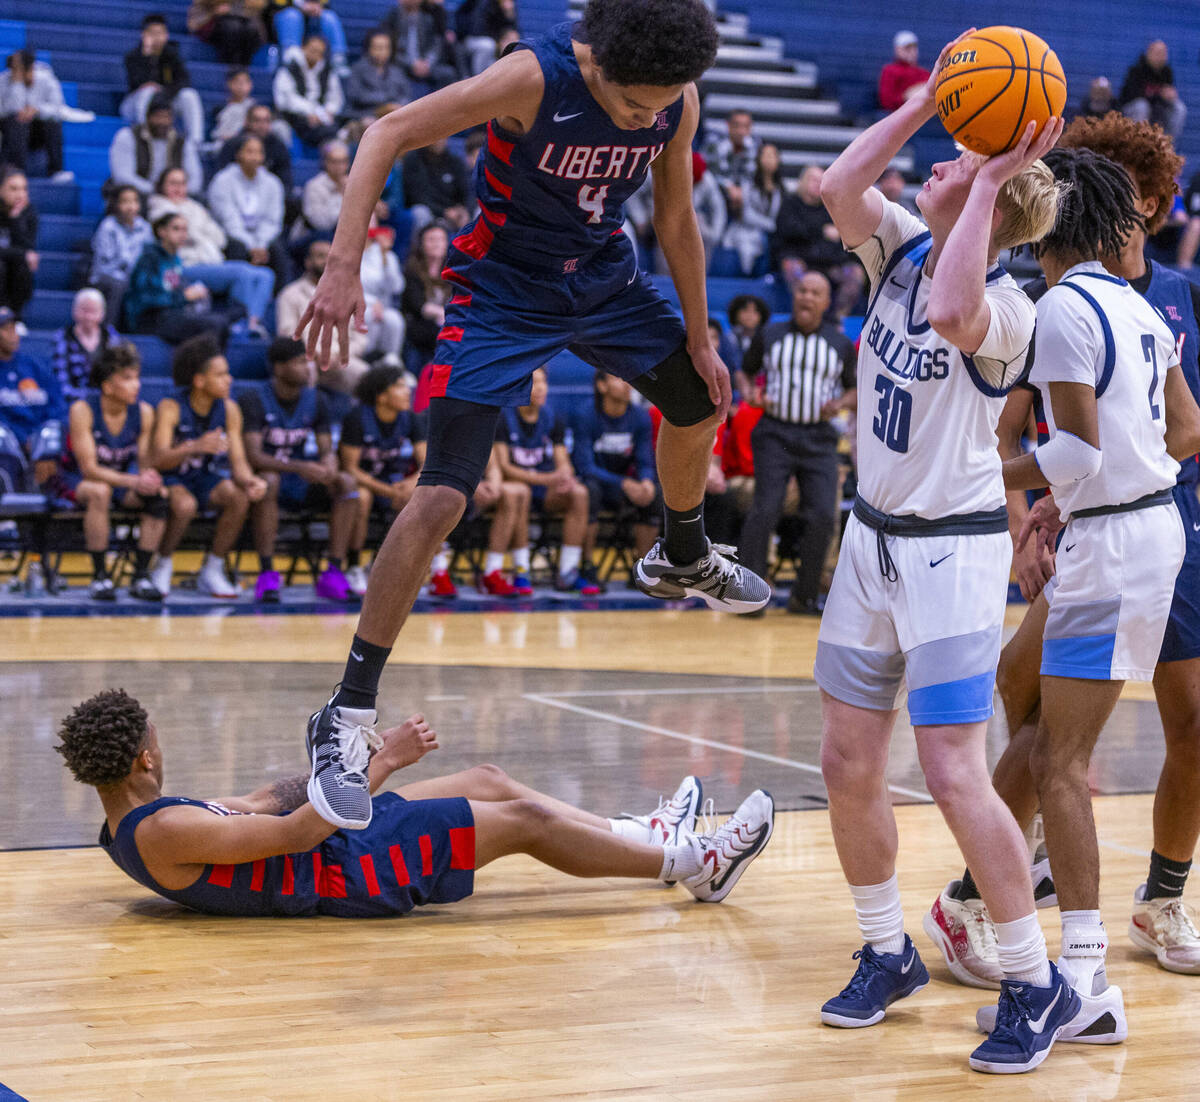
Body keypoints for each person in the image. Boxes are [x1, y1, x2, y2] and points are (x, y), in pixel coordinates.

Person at [294, 0, 770, 833]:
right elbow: (385, 134)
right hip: (503, 292)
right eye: (633, 107)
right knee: (443, 495)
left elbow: (676, 217)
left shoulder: (674, 98)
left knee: (700, 401)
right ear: (599, 65)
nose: (648, 117)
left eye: (662, 104)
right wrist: (343, 267)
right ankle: (346, 710)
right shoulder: (531, 77)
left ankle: (684, 553)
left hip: (600, 279)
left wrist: (700, 337)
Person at [810, 26, 1070, 1072]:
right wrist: (925, 107)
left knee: (954, 772)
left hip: (951, 556)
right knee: (845, 761)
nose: (944, 155)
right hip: (867, 543)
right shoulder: (899, 251)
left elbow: (958, 308)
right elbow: (836, 185)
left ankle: (1034, 979)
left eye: (962, 153)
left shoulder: (1013, 307)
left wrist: (996, 174)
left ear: (992, 203)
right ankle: (887, 950)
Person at [931, 114, 1200, 997]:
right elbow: (1170, 429)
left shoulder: (1059, 312)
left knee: (1060, 760)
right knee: (1034, 704)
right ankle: (997, 893)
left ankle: (1076, 976)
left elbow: (1078, 452)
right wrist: (1049, 498)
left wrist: (977, 477)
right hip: (1141, 527)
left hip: (1117, 538)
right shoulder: (1134, 305)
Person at [55, 688, 776, 918]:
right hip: (347, 869)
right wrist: (382, 763)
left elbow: (258, 804)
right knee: (521, 824)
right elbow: (300, 834)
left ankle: (640, 832)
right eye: (158, 735)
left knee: (489, 778)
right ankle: (691, 863)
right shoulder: (164, 831)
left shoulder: (140, 820)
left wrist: (335, 757)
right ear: (145, 756)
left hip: (341, 845)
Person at [736, 271, 855, 616]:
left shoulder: (839, 343)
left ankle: (804, 596)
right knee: (765, 508)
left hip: (818, 437)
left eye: (815, 293)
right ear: (794, 295)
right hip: (775, 432)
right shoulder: (770, 334)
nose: (807, 297)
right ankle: (750, 595)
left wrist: (841, 403)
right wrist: (748, 393)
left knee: (822, 516)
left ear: (826, 302)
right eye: (802, 290)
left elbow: (854, 389)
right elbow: (744, 372)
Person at [240, 337, 359, 602]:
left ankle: (334, 572)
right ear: (279, 368)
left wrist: (328, 463)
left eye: (309, 362)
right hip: (264, 481)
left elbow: (327, 447)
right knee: (269, 479)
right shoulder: (254, 399)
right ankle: (267, 573)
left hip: (299, 482)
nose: (308, 369)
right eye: (299, 362)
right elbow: (255, 456)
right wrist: (301, 466)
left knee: (346, 483)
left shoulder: (317, 399)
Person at [150, 335, 267, 598]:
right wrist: (194, 446)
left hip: (204, 477)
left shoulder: (229, 409)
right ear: (200, 380)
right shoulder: (170, 407)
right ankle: (163, 563)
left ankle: (212, 569)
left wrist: (251, 481)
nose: (230, 379)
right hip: (172, 477)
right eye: (221, 374)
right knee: (185, 504)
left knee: (238, 497)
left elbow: (238, 463)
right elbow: (158, 460)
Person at [57, 343, 167, 602]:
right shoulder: (82, 410)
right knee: (100, 492)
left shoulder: (144, 412)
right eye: (127, 379)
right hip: (75, 480)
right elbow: (89, 469)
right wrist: (134, 480)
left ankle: (141, 575)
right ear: (107, 386)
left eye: (137, 377)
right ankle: (100, 577)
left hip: (118, 479)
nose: (136, 385)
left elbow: (143, 461)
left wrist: (149, 478)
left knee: (159, 496)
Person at [495, 365, 598, 594]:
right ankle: (521, 571)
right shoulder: (504, 417)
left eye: (543, 382)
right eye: (535, 382)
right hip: (514, 488)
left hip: (544, 490)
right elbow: (504, 467)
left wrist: (566, 475)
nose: (541, 388)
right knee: (521, 491)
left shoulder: (553, 417)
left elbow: (562, 460)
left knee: (579, 493)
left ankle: (568, 572)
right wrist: (546, 479)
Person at [150, 166, 274, 339]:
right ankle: (239, 325)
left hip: (211, 261)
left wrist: (198, 233)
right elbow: (187, 236)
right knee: (242, 273)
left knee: (265, 275)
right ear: (162, 186)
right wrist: (200, 232)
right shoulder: (159, 208)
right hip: (185, 264)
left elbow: (219, 238)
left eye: (182, 183)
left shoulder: (195, 207)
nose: (178, 188)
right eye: (173, 183)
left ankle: (254, 323)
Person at [338, 365, 427, 598]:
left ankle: (384, 565)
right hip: (364, 483)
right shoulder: (357, 418)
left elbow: (427, 464)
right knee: (362, 498)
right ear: (381, 396)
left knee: (421, 497)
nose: (408, 391)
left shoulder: (410, 418)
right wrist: (390, 492)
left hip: (394, 482)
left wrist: (409, 484)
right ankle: (354, 566)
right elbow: (351, 468)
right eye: (399, 386)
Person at [572, 371, 661, 563]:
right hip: (597, 483)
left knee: (655, 493)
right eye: (619, 377)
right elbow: (584, 466)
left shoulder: (640, 417)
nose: (627, 383)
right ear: (602, 386)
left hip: (625, 487)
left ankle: (643, 569)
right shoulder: (585, 414)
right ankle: (587, 564)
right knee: (589, 492)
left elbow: (645, 460)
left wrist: (646, 481)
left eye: (628, 378)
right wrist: (623, 483)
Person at [125, 213, 238, 346]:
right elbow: (145, 297)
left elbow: (172, 289)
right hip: (148, 318)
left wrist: (187, 294)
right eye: (176, 229)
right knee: (214, 325)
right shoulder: (149, 258)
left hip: (171, 314)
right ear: (161, 231)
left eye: (185, 229)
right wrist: (183, 296)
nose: (182, 234)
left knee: (224, 320)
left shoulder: (175, 260)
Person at [277, 238, 368, 391]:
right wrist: (317, 353)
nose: (327, 261)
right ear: (308, 262)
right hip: (307, 359)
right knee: (306, 372)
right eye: (320, 256)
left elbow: (361, 337)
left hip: (340, 359)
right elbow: (287, 334)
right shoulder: (290, 294)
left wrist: (339, 354)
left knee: (370, 379)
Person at [774, 165, 863, 316]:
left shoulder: (831, 208)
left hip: (829, 263)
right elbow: (788, 230)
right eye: (813, 180)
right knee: (792, 268)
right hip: (800, 259)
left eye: (821, 181)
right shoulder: (790, 203)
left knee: (855, 273)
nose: (817, 184)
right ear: (803, 181)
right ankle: (803, 315)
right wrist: (821, 231)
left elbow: (843, 237)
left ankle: (838, 318)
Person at [207, 134, 289, 293]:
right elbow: (229, 220)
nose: (255, 157)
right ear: (239, 154)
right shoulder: (222, 181)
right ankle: (237, 300)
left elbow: (272, 221)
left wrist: (261, 244)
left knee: (278, 250)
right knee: (237, 248)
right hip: (230, 235)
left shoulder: (272, 183)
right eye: (249, 151)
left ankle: (278, 299)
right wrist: (251, 245)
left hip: (261, 236)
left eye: (258, 152)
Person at [0, 306, 66, 493]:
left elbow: (58, 405)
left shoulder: (36, 366)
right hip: (8, 444)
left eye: (14, 328)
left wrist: (38, 437)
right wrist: (21, 438)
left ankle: (49, 509)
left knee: (51, 437)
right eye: (5, 329)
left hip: (39, 440)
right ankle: (7, 516)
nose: (13, 334)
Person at [121, 14, 206, 147]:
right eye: (152, 33)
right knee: (147, 91)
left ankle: (196, 143)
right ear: (144, 35)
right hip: (135, 102)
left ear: (166, 35)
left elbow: (183, 81)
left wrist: (163, 92)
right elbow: (136, 82)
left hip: (165, 99)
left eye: (160, 33)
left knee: (189, 95)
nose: (156, 37)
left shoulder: (172, 55)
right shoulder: (133, 56)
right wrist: (147, 55)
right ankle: (144, 138)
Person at [108, 93, 204, 199]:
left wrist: (176, 191)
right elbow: (122, 176)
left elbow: (195, 181)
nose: (163, 122)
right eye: (158, 117)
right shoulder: (128, 136)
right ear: (148, 117)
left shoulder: (182, 142)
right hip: (139, 197)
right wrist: (156, 190)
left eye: (167, 117)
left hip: (173, 198)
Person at [0, 48, 74, 181]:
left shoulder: (46, 77)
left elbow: (58, 108)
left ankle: (56, 170)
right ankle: (16, 172)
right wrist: (17, 83)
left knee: (53, 121)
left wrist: (37, 110)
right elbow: (6, 110)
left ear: (31, 67)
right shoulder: (4, 80)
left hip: (38, 131)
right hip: (12, 132)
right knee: (17, 120)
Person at [89, 186, 154, 328]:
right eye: (125, 201)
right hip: (106, 276)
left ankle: (140, 329)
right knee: (119, 285)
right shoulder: (107, 226)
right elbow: (105, 263)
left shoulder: (145, 228)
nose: (131, 206)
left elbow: (148, 257)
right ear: (116, 205)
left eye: (135, 201)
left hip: (134, 276)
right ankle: (108, 330)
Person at [717, 142, 781, 277]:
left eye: (773, 156)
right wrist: (770, 224)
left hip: (769, 236)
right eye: (766, 155)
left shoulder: (781, 189)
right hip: (745, 231)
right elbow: (746, 214)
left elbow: (778, 217)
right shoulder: (748, 184)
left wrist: (772, 226)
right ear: (758, 159)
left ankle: (766, 277)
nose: (769, 160)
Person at [52, 289, 123, 403]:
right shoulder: (63, 338)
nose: (88, 316)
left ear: (102, 313)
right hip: (74, 402)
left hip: (109, 401)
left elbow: (120, 373)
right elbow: (62, 382)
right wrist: (89, 401)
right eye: (84, 310)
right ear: (74, 311)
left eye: (93, 311)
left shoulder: (111, 337)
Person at [273, 35, 344, 148]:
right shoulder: (289, 69)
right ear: (303, 48)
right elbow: (286, 100)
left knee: (334, 128)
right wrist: (310, 112)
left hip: (321, 118)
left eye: (319, 52)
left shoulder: (327, 71)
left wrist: (328, 111)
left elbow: (335, 97)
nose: (315, 54)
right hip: (295, 117)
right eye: (312, 50)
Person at [399, 220, 452, 371]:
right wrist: (440, 313)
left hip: (444, 325)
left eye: (441, 239)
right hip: (419, 325)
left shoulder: (453, 271)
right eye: (431, 240)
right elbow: (416, 304)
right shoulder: (412, 270)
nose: (436, 244)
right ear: (422, 244)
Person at [381, 0, 459, 95]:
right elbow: (391, 48)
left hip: (426, 64)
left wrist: (428, 63)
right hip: (402, 64)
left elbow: (436, 45)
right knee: (392, 74)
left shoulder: (428, 18)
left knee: (448, 73)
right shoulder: (393, 17)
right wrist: (411, 64)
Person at [216, 104, 294, 193]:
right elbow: (221, 178)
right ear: (246, 122)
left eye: (266, 121)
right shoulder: (232, 145)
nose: (262, 125)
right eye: (257, 120)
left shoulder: (279, 147)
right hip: (235, 195)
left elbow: (286, 183)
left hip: (267, 197)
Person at [1120, 40, 1186, 144]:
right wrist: (1159, 93)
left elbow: (1166, 95)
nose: (1161, 56)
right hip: (1132, 111)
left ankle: (1167, 144)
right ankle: (1138, 143)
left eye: (1164, 53)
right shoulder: (1136, 70)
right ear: (1149, 53)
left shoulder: (1167, 72)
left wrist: (1170, 95)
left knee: (1179, 107)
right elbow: (1131, 95)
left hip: (1156, 110)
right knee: (1142, 106)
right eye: (1158, 53)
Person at [360, 224, 406, 366]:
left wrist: (385, 256)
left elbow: (397, 287)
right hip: (357, 304)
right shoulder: (350, 252)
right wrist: (372, 302)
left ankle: (390, 362)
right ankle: (365, 359)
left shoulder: (387, 255)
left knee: (395, 320)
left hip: (383, 307)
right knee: (368, 316)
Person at [401, 138, 471, 230]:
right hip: (429, 210)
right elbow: (416, 196)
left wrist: (463, 209)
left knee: (476, 213)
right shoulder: (413, 160)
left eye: (444, 136)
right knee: (420, 212)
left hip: (453, 212)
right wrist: (444, 212)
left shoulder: (455, 161)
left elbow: (466, 191)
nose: (439, 140)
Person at [346, 31, 412, 123]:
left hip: (394, 113)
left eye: (386, 47)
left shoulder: (397, 71)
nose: (382, 51)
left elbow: (406, 95)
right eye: (378, 47)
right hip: (366, 114)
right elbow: (355, 96)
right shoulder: (358, 69)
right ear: (369, 49)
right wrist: (385, 104)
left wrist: (397, 105)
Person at [273, 0, 349, 74]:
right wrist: (300, 7)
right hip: (287, 15)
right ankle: (291, 58)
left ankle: (338, 58)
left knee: (330, 17)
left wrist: (318, 7)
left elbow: (326, 4)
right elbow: (277, 5)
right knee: (292, 15)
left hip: (312, 20)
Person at [0, 169, 37, 320]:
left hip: (14, 267)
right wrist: (22, 254)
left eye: (24, 189)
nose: (20, 194)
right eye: (13, 188)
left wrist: (15, 219)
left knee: (24, 267)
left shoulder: (29, 213)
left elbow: (28, 247)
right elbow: (25, 253)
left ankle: (14, 318)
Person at [188, 1, 266, 67]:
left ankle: (244, 68)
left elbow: (259, 4)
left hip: (242, 20)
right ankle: (231, 68)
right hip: (211, 20)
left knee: (250, 28)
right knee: (232, 27)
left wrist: (233, 9)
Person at [301, 140, 351, 235]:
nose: (340, 166)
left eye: (343, 161)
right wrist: (340, 194)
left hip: (345, 234)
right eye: (335, 161)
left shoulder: (352, 183)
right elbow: (321, 224)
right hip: (316, 235)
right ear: (326, 162)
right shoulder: (314, 186)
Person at [703, 108, 757, 194]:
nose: (741, 131)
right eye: (737, 126)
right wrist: (728, 186)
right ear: (728, 125)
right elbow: (711, 173)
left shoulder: (754, 146)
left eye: (745, 126)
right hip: (717, 190)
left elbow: (750, 174)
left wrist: (741, 190)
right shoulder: (715, 144)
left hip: (743, 192)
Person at [878, 31, 928, 112]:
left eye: (914, 48)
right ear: (897, 50)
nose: (911, 51)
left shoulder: (924, 73)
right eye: (907, 48)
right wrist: (906, 96)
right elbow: (886, 102)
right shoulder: (890, 71)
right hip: (898, 114)